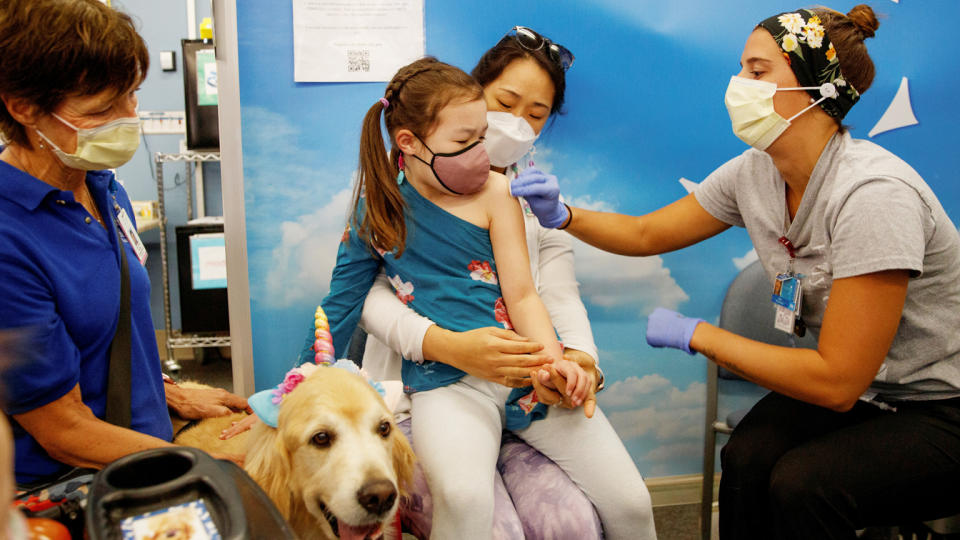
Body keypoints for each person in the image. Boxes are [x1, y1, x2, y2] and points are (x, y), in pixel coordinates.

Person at [512, 5, 960, 539]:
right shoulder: (757, 171)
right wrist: (564, 216)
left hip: (941, 407)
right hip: (872, 395)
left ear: (816, 87)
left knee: (805, 485)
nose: (738, 84)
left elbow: (838, 382)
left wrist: (699, 336)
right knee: (747, 458)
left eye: (756, 70)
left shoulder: (874, 196)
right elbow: (646, 234)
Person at [312, 56, 656, 539]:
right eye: (463, 141)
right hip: (447, 383)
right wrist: (298, 386)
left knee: (631, 502)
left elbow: (524, 295)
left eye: (482, 136)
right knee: (465, 501)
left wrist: (555, 364)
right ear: (408, 143)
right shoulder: (379, 210)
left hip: (526, 373)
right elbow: (342, 306)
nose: (481, 150)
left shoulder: (499, 193)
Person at [0, 0, 250, 486]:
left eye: (132, 96)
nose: (129, 118)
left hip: (145, 452)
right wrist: (206, 468)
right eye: (102, 109)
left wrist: (172, 395)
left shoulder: (99, 186)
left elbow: (102, 341)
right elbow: (63, 429)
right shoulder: (9, 240)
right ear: (24, 108)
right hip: (77, 484)